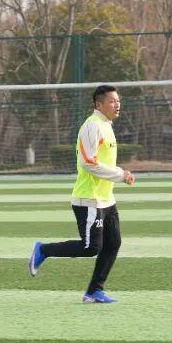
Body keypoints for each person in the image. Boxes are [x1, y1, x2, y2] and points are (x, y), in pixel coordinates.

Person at [28, 84, 135, 303]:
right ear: (99, 104)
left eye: (118, 101)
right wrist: (120, 174)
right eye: (112, 101)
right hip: (89, 198)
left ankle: (94, 291)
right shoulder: (92, 126)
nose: (117, 105)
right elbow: (88, 163)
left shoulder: (106, 125)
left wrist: (120, 174)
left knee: (113, 243)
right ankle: (43, 250)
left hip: (106, 199)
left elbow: (102, 161)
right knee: (90, 247)